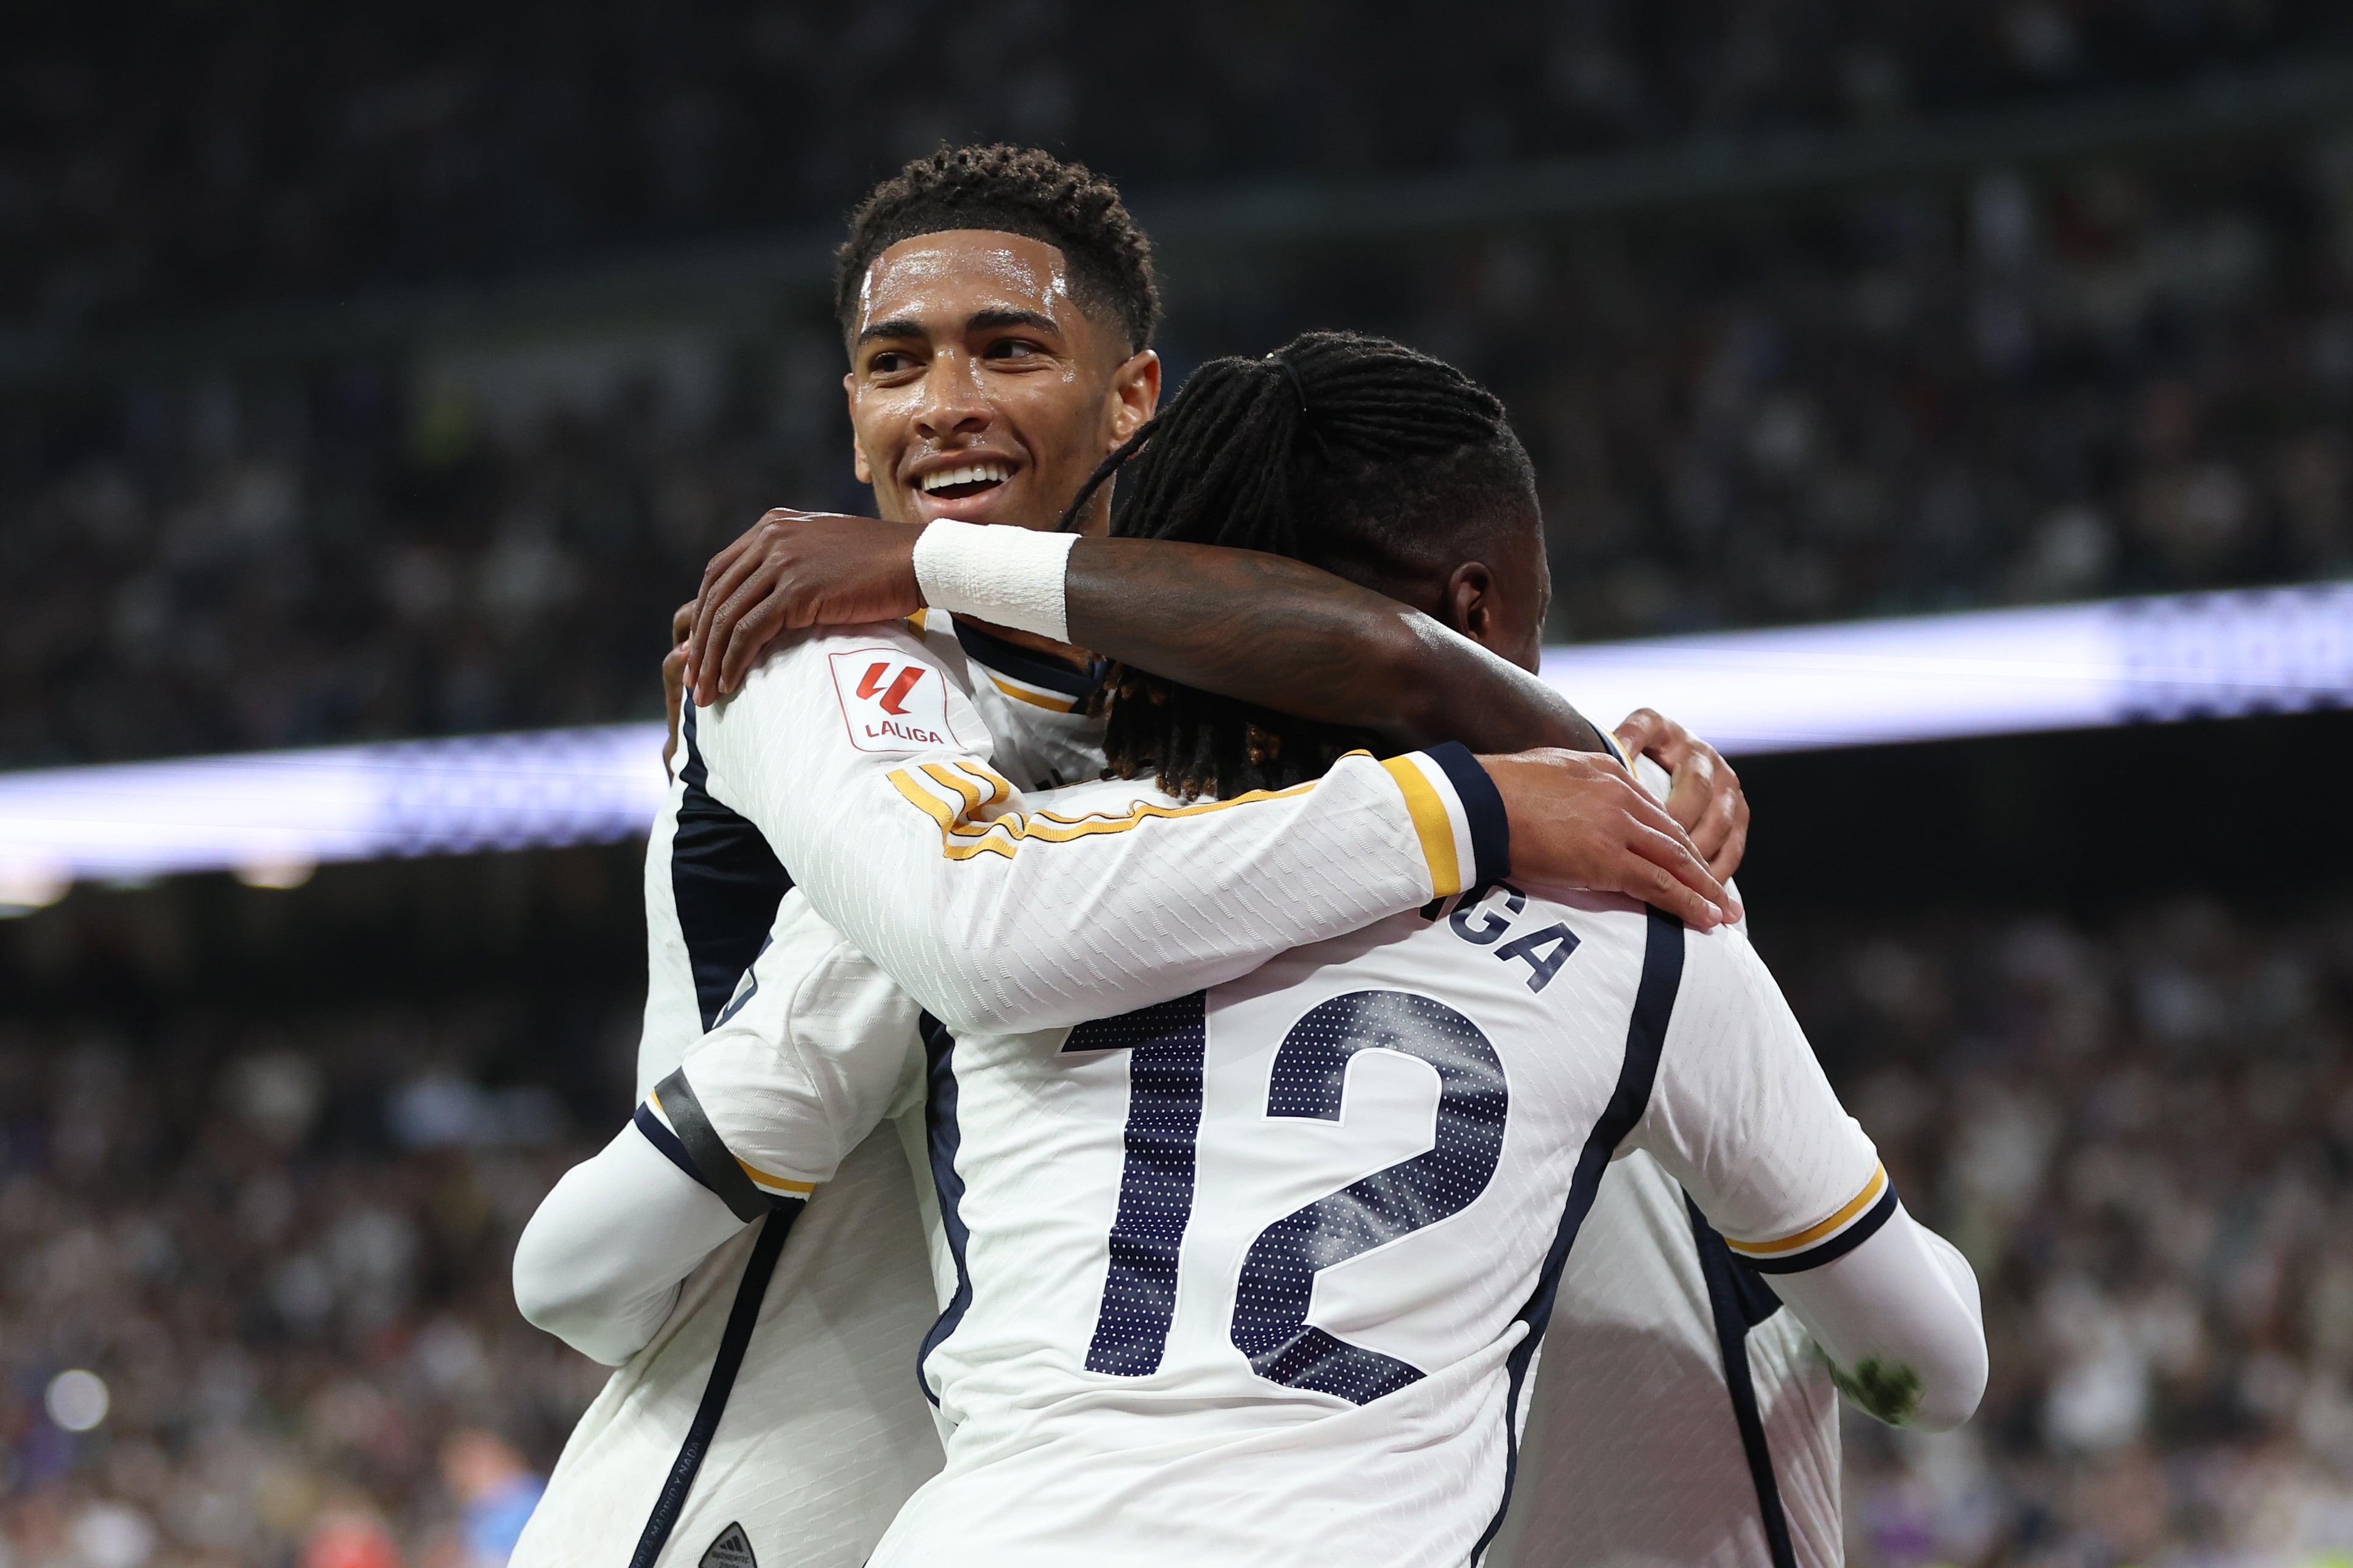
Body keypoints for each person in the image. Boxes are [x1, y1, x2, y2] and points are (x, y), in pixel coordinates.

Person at [522, 332, 1986, 1566]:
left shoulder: (976, 866)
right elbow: (1929, 1364)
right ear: (1479, 607)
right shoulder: (1635, 916)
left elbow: (577, 1269)